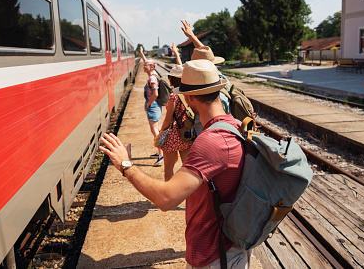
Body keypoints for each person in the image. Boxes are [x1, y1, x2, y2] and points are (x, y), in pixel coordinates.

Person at [100, 59, 251, 268]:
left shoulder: (210, 142)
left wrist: (126, 165)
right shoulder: (234, 126)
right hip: (228, 248)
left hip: (215, 256)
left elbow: (166, 199)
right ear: (218, 92)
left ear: (189, 97)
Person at [158, 45, 191, 181]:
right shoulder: (188, 93)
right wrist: (177, 53)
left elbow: (167, 119)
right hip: (186, 133)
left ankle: (169, 196)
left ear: (172, 79)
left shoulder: (173, 96)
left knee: (169, 168)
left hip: (172, 134)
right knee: (188, 168)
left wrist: (161, 131)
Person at [139, 46, 164, 165]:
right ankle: (160, 152)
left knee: (155, 132)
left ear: (152, 67)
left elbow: (155, 94)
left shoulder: (152, 78)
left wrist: (148, 104)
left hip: (153, 107)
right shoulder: (151, 75)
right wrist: (142, 53)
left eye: (146, 66)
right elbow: (147, 62)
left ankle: (161, 155)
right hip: (154, 107)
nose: (144, 67)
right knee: (156, 130)